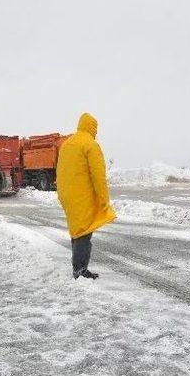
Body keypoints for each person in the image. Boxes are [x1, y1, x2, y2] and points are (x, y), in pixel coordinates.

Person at [56, 113, 116, 280]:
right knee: (84, 232)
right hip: (83, 196)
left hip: (67, 196)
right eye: (95, 129)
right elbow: (99, 177)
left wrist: (61, 194)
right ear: (92, 127)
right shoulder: (90, 145)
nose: (96, 132)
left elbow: (59, 172)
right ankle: (80, 270)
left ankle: (78, 267)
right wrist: (104, 200)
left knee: (76, 231)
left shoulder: (66, 144)